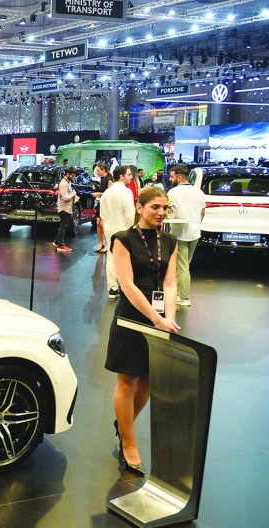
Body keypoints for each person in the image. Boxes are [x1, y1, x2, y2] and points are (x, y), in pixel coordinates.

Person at [107, 186, 180, 476]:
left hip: (160, 317)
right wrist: (155, 318)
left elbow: (171, 283)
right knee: (127, 379)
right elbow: (127, 285)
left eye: (165, 208)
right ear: (140, 207)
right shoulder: (123, 240)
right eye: (155, 208)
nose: (161, 213)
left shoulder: (170, 240)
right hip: (131, 316)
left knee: (148, 380)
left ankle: (123, 425)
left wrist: (168, 318)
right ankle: (129, 442)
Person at [166, 164, 205, 307]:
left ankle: (184, 298)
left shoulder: (173, 192)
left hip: (179, 233)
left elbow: (170, 213)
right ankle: (177, 295)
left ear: (179, 177)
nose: (170, 179)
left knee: (182, 267)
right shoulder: (199, 192)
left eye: (172, 176)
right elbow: (202, 213)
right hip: (195, 233)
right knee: (184, 265)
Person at [100, 166, 137, 298]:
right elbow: (130, 214)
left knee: (111, 258)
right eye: (129, 174)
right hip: (124, 230)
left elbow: (102, 215)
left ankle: (112, 288)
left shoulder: (106, 193)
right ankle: (125, 287)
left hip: (109, 230)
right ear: (121, 176)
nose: (131, 177)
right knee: (125, 259)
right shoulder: (126, 192)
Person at [53, 166, 78, 252]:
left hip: (67, 207)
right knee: (63, 226)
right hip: (64, 208)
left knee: (63, 225)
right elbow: (65, 197)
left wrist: (73, 195)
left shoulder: (68, 182)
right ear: (67, 174)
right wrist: (73, 194)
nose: (73, 177)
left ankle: (57, 241)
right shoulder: (63, 183)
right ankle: (61, 244)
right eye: (72, 175)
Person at [92, 164, 111, 253]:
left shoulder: (109, 180)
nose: (97, 172)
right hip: (101, 203)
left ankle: (108, 244)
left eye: (98, 170)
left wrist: (98, 193)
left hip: (107, 204)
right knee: (98, 222)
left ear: (104, 170)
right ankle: (100, 243)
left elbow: (110, 194)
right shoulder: (102, 179)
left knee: (103, 223)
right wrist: (96, 188)